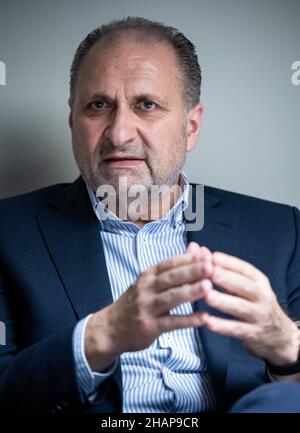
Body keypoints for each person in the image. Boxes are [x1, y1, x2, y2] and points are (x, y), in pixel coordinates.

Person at [0, 17, 300, 413]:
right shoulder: (8, 231)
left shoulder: (282, 230)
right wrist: (99, 337)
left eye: (147, 105)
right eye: (98, 105)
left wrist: (286, 347)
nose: (120, 132)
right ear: (73, 121)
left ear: (190, 127)